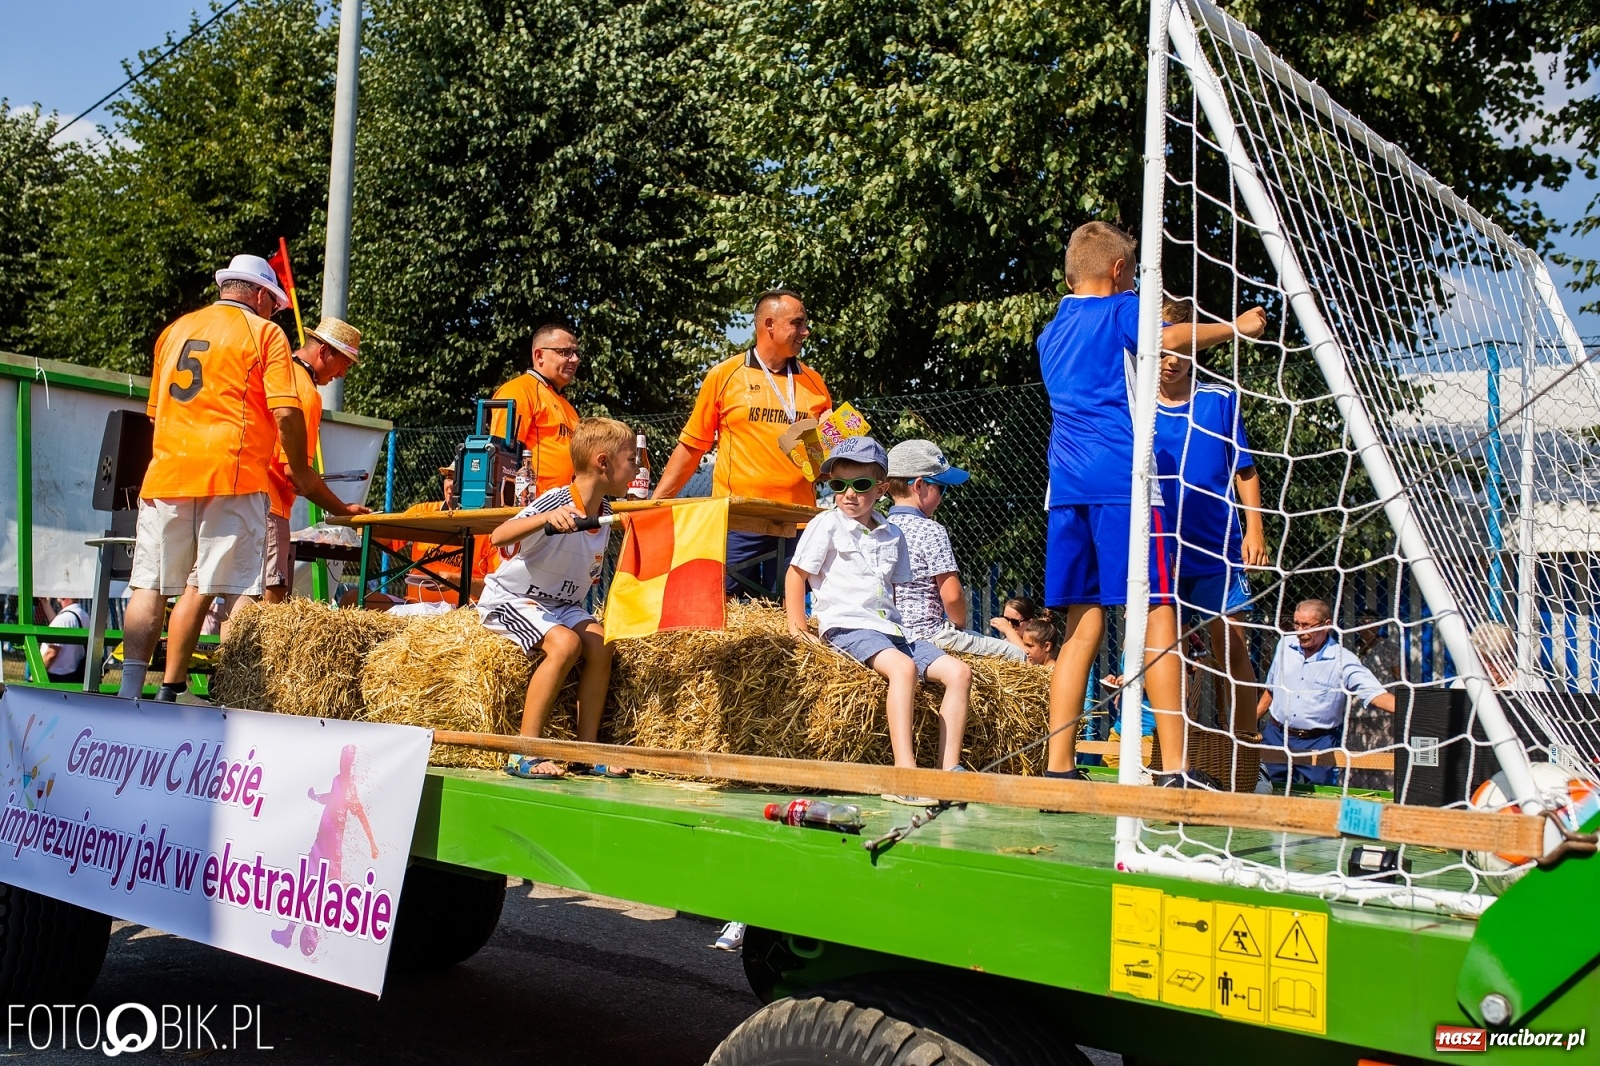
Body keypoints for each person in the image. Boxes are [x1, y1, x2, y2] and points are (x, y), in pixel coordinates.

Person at [1038, 221, 1266, 788]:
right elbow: (1169, 337)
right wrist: (1235, 327)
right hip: (1126, 483)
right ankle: (1175, 769)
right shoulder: (1122, 310)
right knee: (1159, 612)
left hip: (1066, 489)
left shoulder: (1052, 332)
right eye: (1130, 269)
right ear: (1119, 271)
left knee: (1080, 625)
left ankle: (1058, 768)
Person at [117, 254, 320, 702]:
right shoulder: (266, 334)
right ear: (262, 296)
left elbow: (156, 414)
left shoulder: (173, 331)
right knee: (236, 590)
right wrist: (302, 472)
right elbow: (286, 411)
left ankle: (133, 694)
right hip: (233, 474)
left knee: (149, 586)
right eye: (275, 303)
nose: (275, 311)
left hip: (168, 474)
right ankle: (236, 697)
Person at [785, 437, 972, 804]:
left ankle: (948, 773)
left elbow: (895, 592)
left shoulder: (893, 534)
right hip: (847, 626)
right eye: (838, 485)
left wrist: (910, 636)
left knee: (959, 673)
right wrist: (797, 628)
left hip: (892, 630)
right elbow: (796, 575)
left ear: (882, 488)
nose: (848, 494)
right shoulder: (827, 525)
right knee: (903, 669)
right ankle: (903, 775)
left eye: (861, 485)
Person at [478, 418, 640, 780]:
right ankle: (524, 751)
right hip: (513, 599)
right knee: (565, 645)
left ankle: (583, 752)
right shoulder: (556, 500)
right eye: (631, 459)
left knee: (602, 643)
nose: (637, 468)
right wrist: (545, 518)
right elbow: (498, 536)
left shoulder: (610, 512)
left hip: (561, 605)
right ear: (603, 462)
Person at [654, 289, 832, 595]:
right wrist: (655, 502)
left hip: (797, 522)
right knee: (721, 605)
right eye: (798, 323)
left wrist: (831, 463)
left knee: (787, 615)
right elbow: (692, 445)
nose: (806, 331)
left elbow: (824, 457)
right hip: (738, 518)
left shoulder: (814, 382)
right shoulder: (725, 375)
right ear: (769, 325)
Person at [1153, 305, 1268, 736]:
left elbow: (1245, 469)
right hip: (1159, 551)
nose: (1171, 358)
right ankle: (1171, 759)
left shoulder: (1218, 400)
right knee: (1165, 658)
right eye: (1164, 346)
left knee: (1231, 655)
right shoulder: (1135, 406)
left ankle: (1244, 756)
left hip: (1213, 551)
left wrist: (1255, 529)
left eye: (1181, 346)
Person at [260, 317, 372, 603]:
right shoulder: (306, 394)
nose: (342, 374)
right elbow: (294, 472)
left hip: (234, 495)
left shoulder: (272, 371)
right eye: (344, 363)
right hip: (268, 506)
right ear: (324, 352)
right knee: (269, 601)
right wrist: (343, 509)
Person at [883, 439, 1025, 662]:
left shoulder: (880, 528)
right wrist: (959, 626)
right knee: (1017, 655)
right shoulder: (932, 530)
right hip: (932, 636)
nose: (942, 496)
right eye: (942, 488)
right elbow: (952, 595)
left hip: (892, 636)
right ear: (919, 485)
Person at [1256, 598, 1396, 787]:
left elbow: (1375, 695)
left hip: (1317, 742)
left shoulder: (1343, 660)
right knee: (1263, 789)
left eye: (1306, 625)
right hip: (1276, 736)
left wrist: (1417, 711)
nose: (1299, 631)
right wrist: (1247, 722)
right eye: (1296, 624)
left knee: (1322, 798)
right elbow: (1271, 690)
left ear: (1327, 625)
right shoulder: (1284, 645)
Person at [488, 323, 583, 497]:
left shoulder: (567, 406)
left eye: (577, 353)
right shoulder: (519, 390)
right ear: (539, 356)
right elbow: (501, 457)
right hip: (533, 508)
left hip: (566, 508)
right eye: (566, 352)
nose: (575, 359)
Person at [40, 597, 89, 684]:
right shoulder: (83, 615)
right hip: (73, 675)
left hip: (54, 677)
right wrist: (46, 604)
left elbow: (51, 653)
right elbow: (58, 625)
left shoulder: (63, 619)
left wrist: (36, 673)